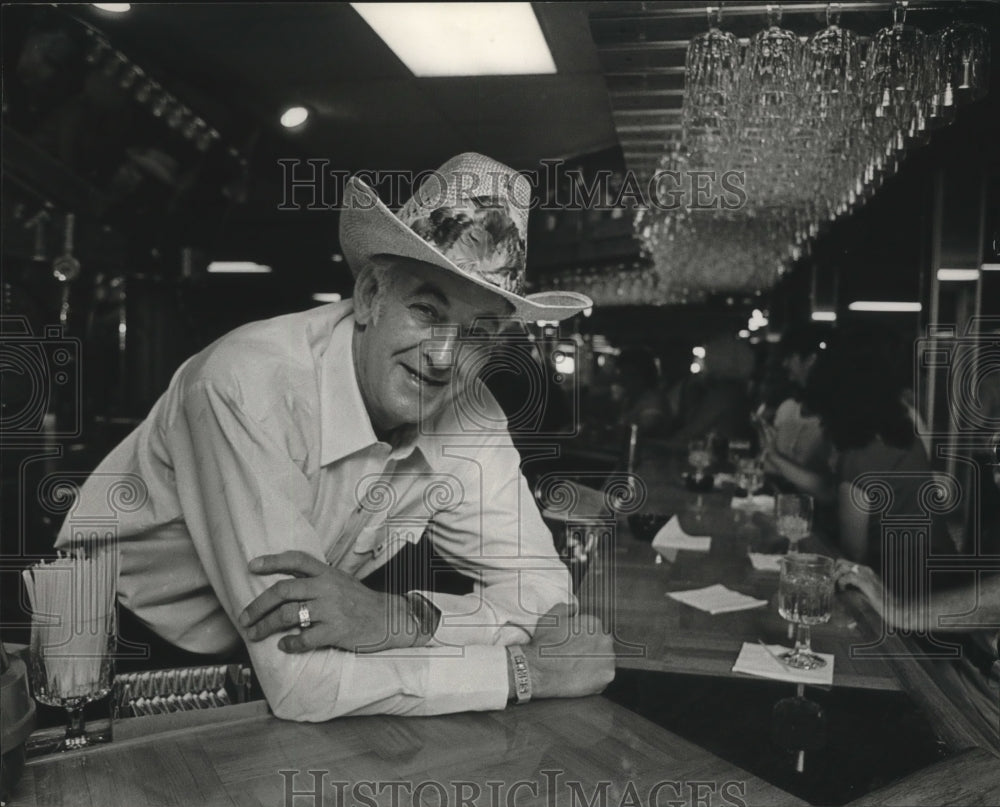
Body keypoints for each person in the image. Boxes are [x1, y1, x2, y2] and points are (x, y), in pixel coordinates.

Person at [54, 153, 614, 721]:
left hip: (269, 666)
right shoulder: (244, 386)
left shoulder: (471, 413)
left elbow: (546, 601)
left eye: (476, 334)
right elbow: (303, 684)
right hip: (119, 648)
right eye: (426, 310)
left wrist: (402, 619)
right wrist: (526, 673)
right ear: (371, 295)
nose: (444, 358)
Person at [798, 327, 954, 570]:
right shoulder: (904, 435)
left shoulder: (857, 459)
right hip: (944, 574)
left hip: (902, 591)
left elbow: (853, 561)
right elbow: (830, 491)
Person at [759, 323, 835, 498]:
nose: (785, 364)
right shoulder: (788, 408)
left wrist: (774, 456)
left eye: (790, 357)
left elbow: (830, 491)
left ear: (811, 360)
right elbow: (771, 468)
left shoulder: (837, 418)